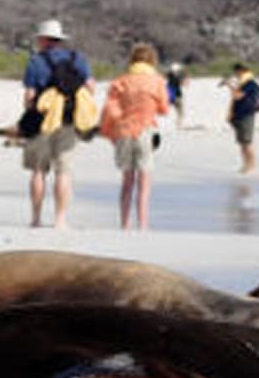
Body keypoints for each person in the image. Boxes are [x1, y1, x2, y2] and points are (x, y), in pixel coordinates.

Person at [20, 18, 94, 229]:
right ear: (60, 39)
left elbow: (30, 95)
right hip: (69, 120)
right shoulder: (76, 59)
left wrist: (32, 111)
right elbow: (90, 88)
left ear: (42, 39)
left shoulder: (35, 61)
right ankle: (60, 220)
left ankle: (36, 218)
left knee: (38, 171)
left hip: (42, 121)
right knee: (63, 171)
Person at [99, 43, 169, 230]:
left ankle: (124, 223)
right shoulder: (157, 81)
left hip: (123, 132)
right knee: (144, 184)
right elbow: (164, 108)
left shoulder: (121, 81)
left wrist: (109, 130)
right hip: (145, 131)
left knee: (127, 182)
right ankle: (143, 224)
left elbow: (110, 109)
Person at [224, 62, 259, 174]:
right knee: (243, 143)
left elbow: (237, 96)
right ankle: (246, 165)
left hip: (246, 115)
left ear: (241, 71)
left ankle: (250, 166)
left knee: (246, 143)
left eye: (236, 72)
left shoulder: (248, 83)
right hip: (241, 115)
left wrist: (229, 86)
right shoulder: (244, 82)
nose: (235, 75)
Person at [165, 61, 188, 129]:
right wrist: (185, 76)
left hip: (170, 97)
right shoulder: (176, 78)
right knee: (181, 113)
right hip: (177, 97)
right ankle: (178, 125)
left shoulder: (169, 78)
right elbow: (185, 84)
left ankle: (177, 124)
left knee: (177, 111)